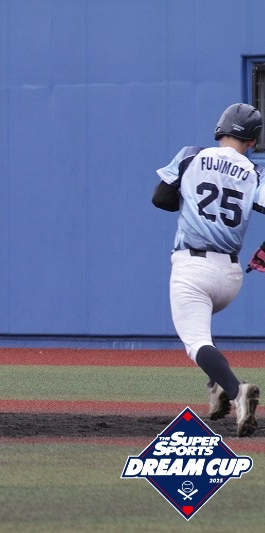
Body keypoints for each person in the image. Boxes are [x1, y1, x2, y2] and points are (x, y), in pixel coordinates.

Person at [152, 103, 263, 437]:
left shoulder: (192, 155)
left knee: (196, 341)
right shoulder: (254, 172)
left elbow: (161, 199)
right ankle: (216, 389)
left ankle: (236, 391)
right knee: (204, 335)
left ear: (220, 129)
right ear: (253, 142)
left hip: (192, 267)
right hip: (230, 276)